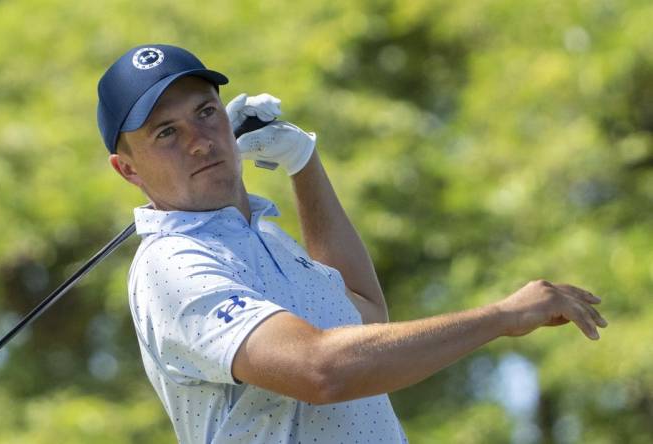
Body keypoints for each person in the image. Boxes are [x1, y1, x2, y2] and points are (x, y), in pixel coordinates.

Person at [96, 44, 607, 444]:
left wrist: (303, 164)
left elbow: (363, 315)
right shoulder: (170, 264)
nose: (201, 141)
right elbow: (321, 369)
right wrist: (501, 316)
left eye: (206, 113)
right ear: (129, 169)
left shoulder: (265, 235)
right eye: (166, 133)